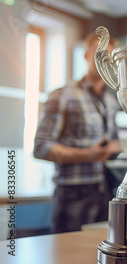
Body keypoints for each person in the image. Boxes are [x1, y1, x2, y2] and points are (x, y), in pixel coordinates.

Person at [34, 32, 122, 233]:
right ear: (86, 55)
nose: (103, 61)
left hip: (103, 189)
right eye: (98, 54)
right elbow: (41, 147)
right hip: (73, 193)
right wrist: (87, 155)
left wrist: (116, 148)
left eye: (108, 56)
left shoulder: (110, 102)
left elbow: (116, 142)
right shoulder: (62, 95)